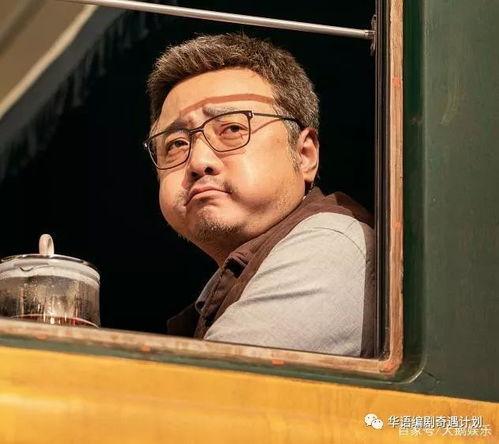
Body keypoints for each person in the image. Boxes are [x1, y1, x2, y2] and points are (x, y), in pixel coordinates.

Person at [144, 33, 375, 357]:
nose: (198, 162)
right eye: (177, 144)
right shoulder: (225, 287)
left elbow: (205, 385)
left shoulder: (332, 244)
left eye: (232, 129)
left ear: (304, 155)